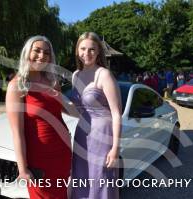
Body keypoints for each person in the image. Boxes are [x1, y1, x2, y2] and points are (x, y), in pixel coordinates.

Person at [6, 36, 71, 198]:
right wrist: (23, 169)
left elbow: (65, 109)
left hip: (62, 152)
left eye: (46, 53)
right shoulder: (17, 85)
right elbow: (17, 133)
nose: (42, 56)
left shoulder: (52, 82)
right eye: (37, 50)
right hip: (39, 158)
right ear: (27, 52)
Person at [70, 32, 121, 199]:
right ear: (77, 51)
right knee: (82, 177)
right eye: (83, 48)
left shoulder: (104, 74)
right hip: (82, 135)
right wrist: (55, 99)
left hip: (102, 137)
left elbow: (116, 113)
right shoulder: (75, 75)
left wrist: (115, 149)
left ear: (98, 51)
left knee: (101, 180)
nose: (87, 53)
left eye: (92, 49)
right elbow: (77, 110)